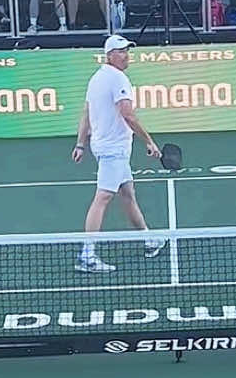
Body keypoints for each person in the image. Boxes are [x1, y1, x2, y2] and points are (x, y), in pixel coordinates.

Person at [71, 35, 165, 273]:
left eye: (127, 51)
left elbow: (85, 113)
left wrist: (81, 144)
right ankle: (87, 254)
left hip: (109, 147)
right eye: (121, 51)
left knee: (127, 194)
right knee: (103, 197)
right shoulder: (117, 78)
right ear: (110, 55)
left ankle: (149, 240)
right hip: (113, 148)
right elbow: (128, 114)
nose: (126, 55)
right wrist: (150, 142)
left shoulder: (96, 79)